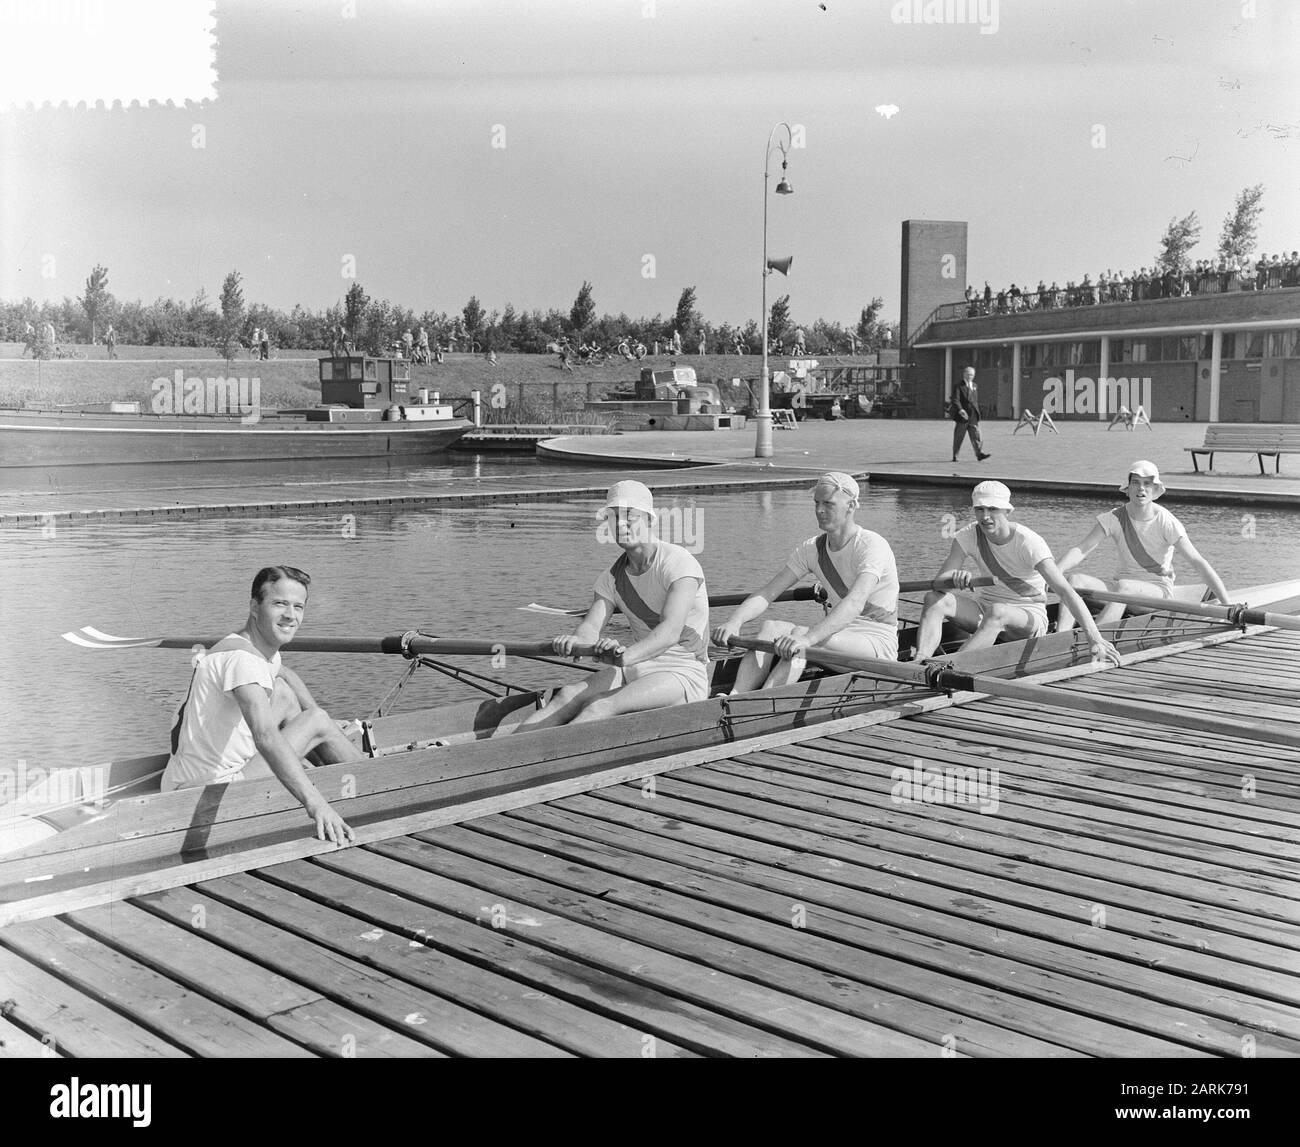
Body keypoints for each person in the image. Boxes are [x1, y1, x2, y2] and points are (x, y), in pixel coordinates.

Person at [160, 565, 359, 845]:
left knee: (285, 695)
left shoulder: (241, 645)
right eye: (279, 604)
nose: (290, 615)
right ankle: (373, 777)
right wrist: (316, 805)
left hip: (178, 779)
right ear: (254, 606)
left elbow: (285, 674)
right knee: (315, 720)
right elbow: (265, 737)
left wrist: (328, 725)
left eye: (298, 607)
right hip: (202, 791)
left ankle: (328, 753)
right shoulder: (244, 662)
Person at [514, 481, 710, 731]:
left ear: (650, 520)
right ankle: (497, 756)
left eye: (630, 516)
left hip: (682, 673)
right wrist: (574, 643)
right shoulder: (609, 579)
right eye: (613, 517)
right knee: (566, 696)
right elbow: (590, 628)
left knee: (599, 706)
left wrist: (622, 655)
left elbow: (669, 632)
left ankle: (538, 762)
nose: (620, 524)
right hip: (635, 666)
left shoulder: (679, 563)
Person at [712, 472, 899, 692]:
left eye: (828, 504)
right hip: (836, 637)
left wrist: (808, 639)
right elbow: (767, 593)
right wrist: (734, 622)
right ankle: (735, 696)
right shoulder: (811, 549)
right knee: (770, 627)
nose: (819, 510)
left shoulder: (871, 545)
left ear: (850, 506)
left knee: (800, 636)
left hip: (876, 644)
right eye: (816, 503)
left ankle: (758, 702)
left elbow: (855, 602)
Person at [912, 481, 1121, 665]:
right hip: (986, 610)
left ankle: (946, 668)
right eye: (979, 509)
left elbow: (1066, 592)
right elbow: (940, 582)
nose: (985, 517)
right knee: (934, 599)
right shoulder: (967, 535)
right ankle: (919, 662)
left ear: (1007, 511)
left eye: (992, 509)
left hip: (1029, 617)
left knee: (997, 612)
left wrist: (1095, 637)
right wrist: (954, 579)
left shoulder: (1028, 542)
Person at [1055, 461, 1230, 630]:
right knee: (1074, 580)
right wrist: (1053, 575)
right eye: (1136, 483)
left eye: (1147, 484)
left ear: (1154, 490)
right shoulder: (1114, 517)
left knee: (1125, 587)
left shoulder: (1166, 521)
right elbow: (1081, 550)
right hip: (1120, 590)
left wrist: (1226, 604)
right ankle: (1060, 636)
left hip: (1156, 594)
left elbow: (1197, 562)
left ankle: (1096, 640)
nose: (1141, 488)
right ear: (1128, 488)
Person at [951, 365, 990, 462]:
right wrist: (960, 410)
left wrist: (978, 411)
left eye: (972, 375)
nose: (970, 377)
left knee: (977, 436)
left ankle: (979, 454)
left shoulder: (975, 386)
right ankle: (955, 455)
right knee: (959, 437)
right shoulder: (959, 386)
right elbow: (955, 399)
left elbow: (974, 400)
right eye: (968, 374)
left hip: (973, 416)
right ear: (964, 374)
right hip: (963, 416)